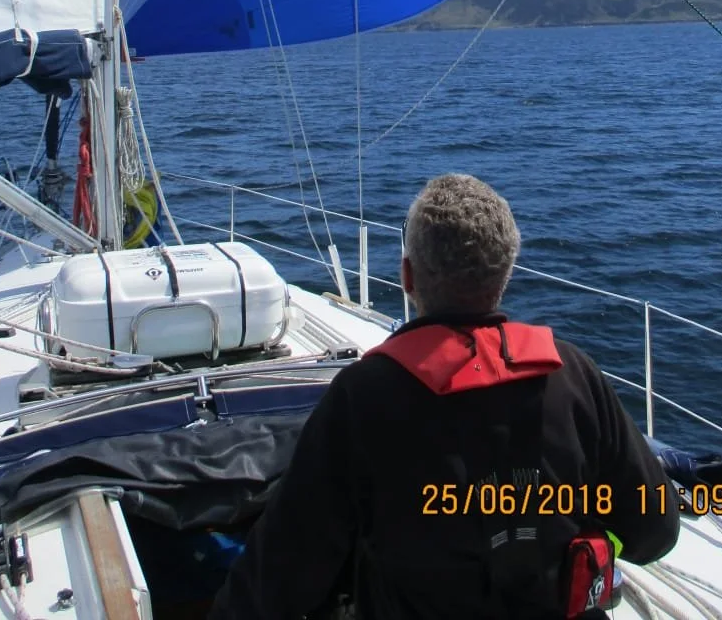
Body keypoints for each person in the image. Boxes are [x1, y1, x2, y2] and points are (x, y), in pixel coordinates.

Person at [209, 174, 680, 619]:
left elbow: (283, 574)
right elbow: (654, 533)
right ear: (506, 273)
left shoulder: (365, 396)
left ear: (408, 277)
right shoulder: (573, 373)